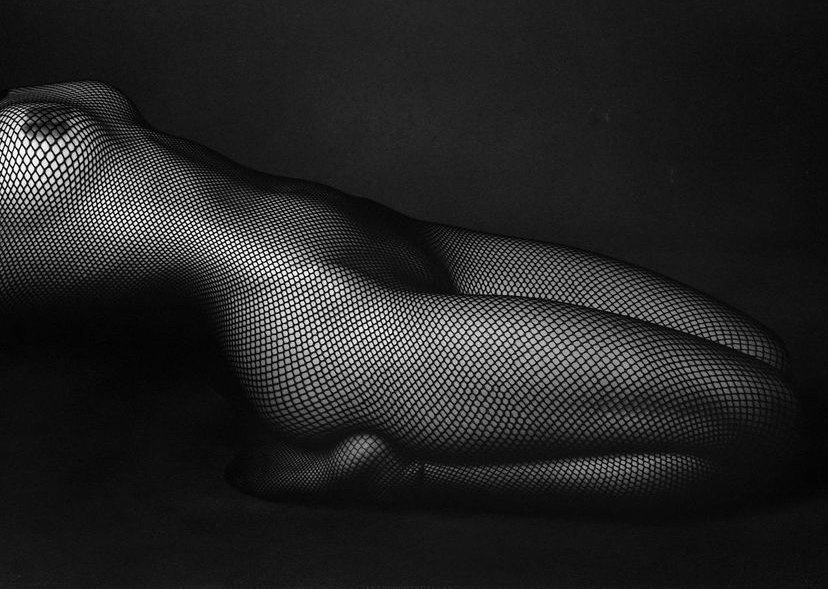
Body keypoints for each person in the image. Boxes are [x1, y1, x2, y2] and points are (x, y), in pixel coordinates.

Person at [0, 80, 802, 515]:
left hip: (400, 237)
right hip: (320, 320)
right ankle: (380, 473)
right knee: (762, 422)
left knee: (761, 354)